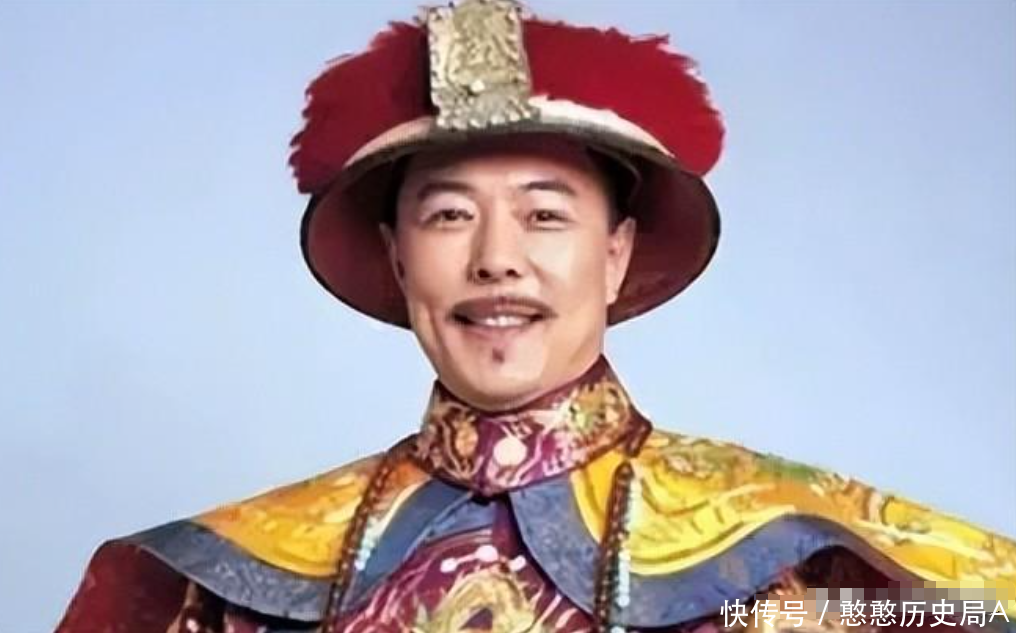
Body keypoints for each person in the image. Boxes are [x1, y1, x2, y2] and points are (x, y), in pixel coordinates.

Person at [57, 1, 1015, 632]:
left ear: (616, 252)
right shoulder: (228, 582)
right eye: (449, 215)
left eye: (545, 214)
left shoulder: (791, 566)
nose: (496, 257)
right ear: (398, 255)